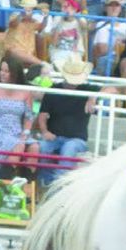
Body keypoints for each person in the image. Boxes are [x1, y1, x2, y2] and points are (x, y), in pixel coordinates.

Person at [33, 57, 99, 187]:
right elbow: (42, 115)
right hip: (54, 136)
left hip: (77, 139)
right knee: (42, 147)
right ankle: (46, 184)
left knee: (69, 148)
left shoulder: (88, 89)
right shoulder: (53, 90)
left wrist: (93, 97)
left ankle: (59, 186)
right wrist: (45, 131)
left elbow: (112, 90)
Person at [89, 0, 126, 73]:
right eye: (111, 5)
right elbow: (102, 49)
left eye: (117, 5)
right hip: (108, 59)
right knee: (106, 60)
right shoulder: (101, 24)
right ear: (106, 8)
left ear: (120, 8)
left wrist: (118, 47)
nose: (114, 8)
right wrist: (119, 46)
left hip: (123, 58)